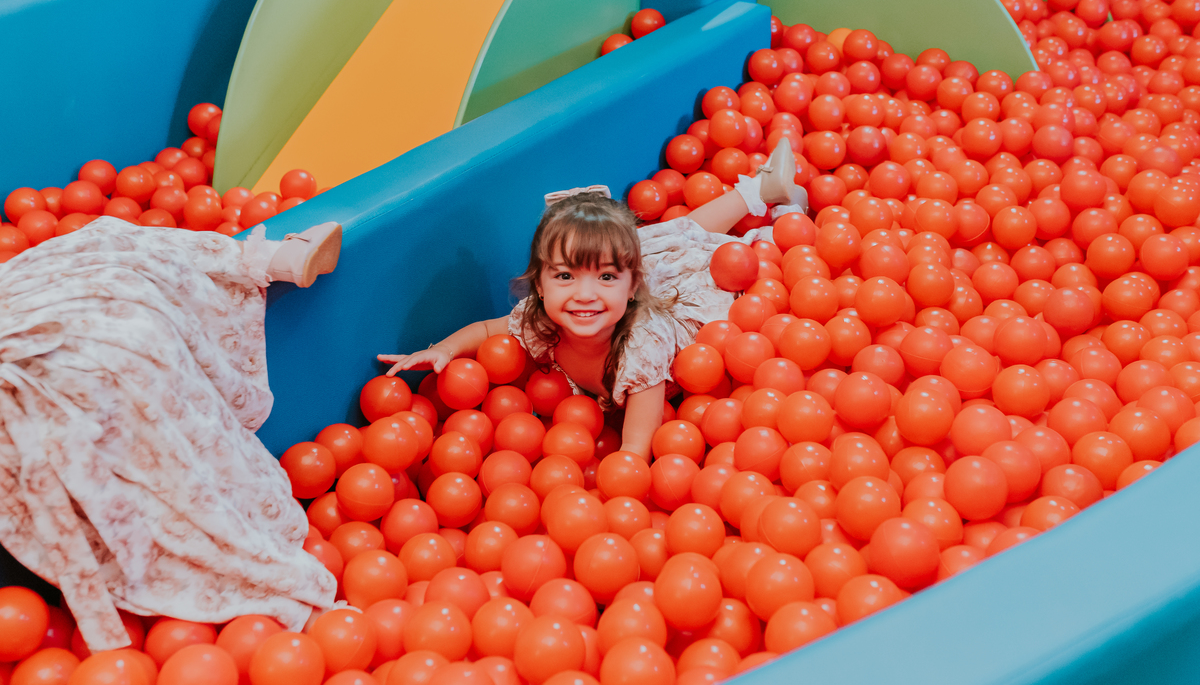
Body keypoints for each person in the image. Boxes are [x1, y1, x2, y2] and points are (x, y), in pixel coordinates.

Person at [0, 217, 342, 651]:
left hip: (73, 353)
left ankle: (261, 579)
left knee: (161, 470)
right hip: (77, 330)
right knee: (101, 246)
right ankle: (268, 258)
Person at [379, 140, 806, 460]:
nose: (585, 295)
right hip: (633, 270)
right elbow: (487, 330)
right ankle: (762, 190)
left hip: (679, 304)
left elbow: (637, 448)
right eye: (565, 275)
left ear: (630, 283)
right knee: (662, 239)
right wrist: (441, 351)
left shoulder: (641, 349)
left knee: (698, 249)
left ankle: (776, 215)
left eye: (604, 276)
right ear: (540, 284)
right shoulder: (540, 318)